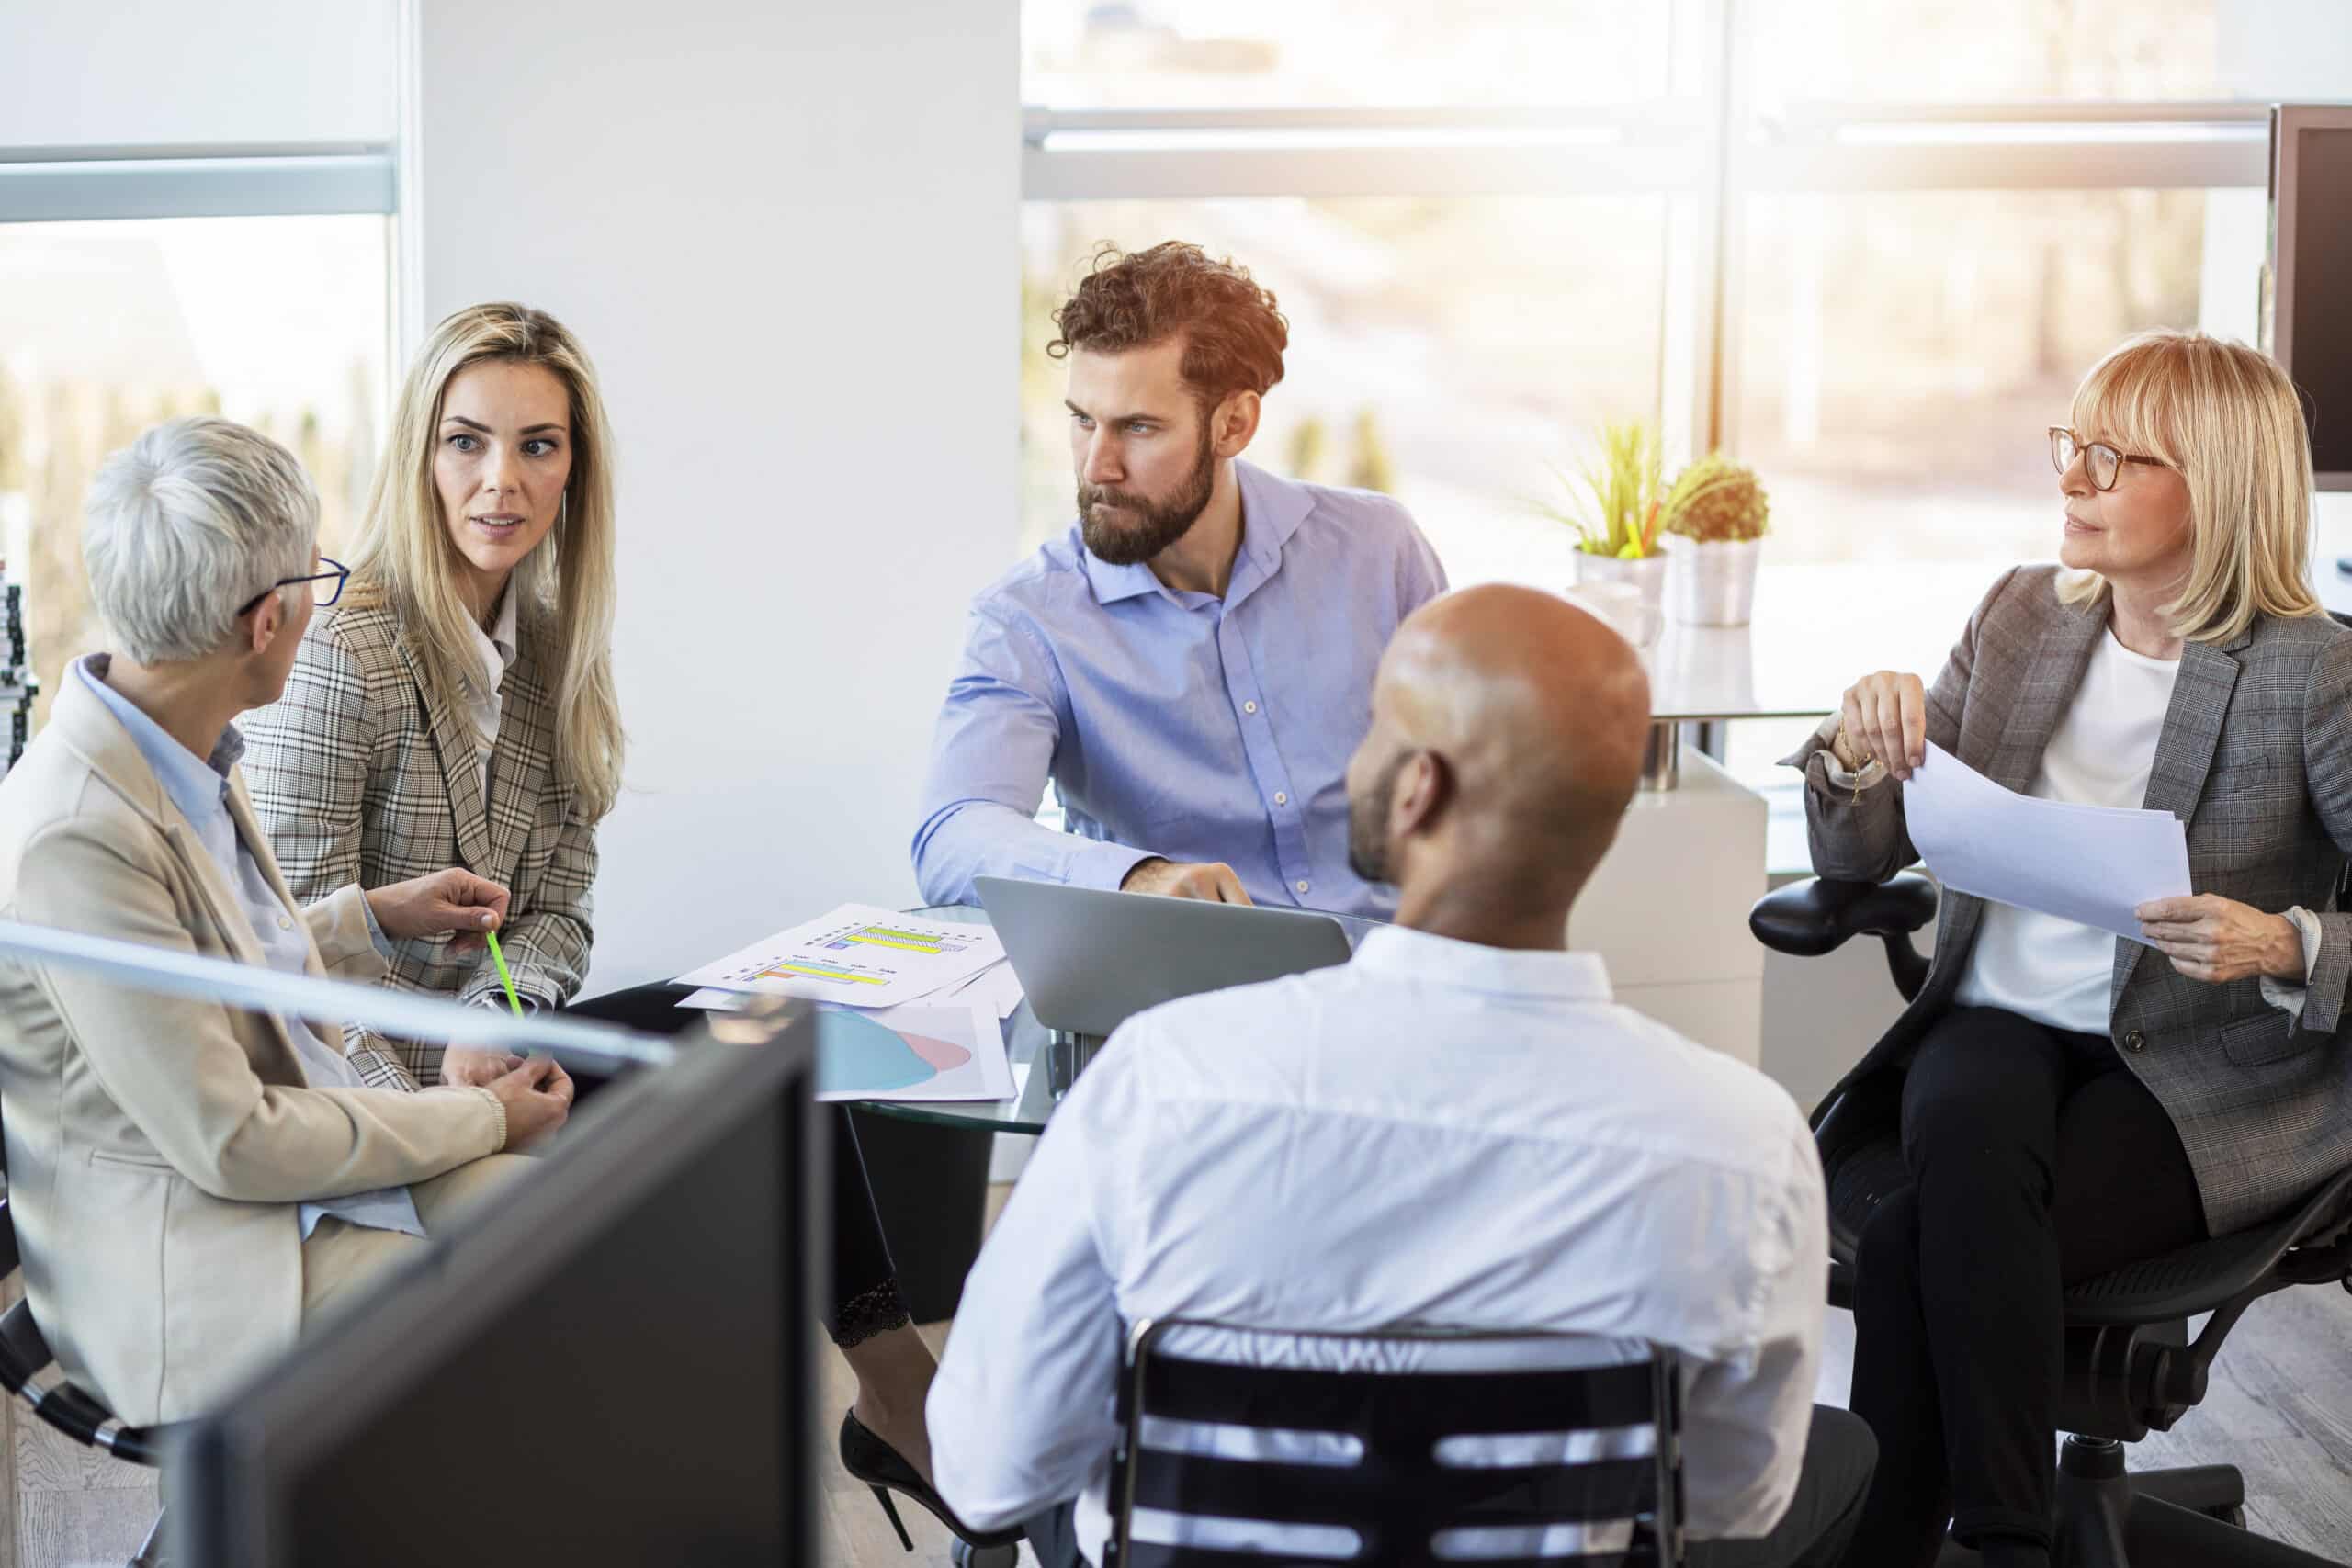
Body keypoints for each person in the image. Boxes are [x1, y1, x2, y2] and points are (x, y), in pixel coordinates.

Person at [242, 302, 1001, 1550]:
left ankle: (891, 1388)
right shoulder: (345, 651)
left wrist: (501, 1019)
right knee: (735, 1064)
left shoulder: (547, 654)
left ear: (575, 469)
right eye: (467, 441)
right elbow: (291, 955)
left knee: (764, 1036)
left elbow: (552, 913)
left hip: (488, 1054)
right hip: (358, 1084)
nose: (503, 480)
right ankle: (897, 1404)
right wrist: (437, 1097)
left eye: (539, 446)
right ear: (417, 454)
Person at [929, 584, 1876, 1568]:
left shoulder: (1163, 1082)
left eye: (1374, 727)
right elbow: (1728, 1498)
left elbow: (989, 1468)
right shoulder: (1743, 1144)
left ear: (1419, 788)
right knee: (1838, 1451)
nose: (1352, 761)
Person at [1788, 330, 2352, 1568]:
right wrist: (1852, 749)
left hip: (2196, 1068)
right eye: (2073, 444)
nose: (2074, 476)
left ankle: (1905, 1545)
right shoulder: (2021, 612)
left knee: (1906, 1239)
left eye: (2115, 455)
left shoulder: (2314, 672)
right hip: (1993, 1018)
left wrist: (2289, 937)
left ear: (2215, 485)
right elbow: (1855, 858)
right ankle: (2006, 1540)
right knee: (1970, 1132)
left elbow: (2324, 936)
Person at [0, 417, 571, 1427]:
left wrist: (369, 921)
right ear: (267, 622)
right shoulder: (75, 834)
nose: (323, 608)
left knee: (578, 1236)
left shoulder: (179, 739)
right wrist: (485, 1118)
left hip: (282, 1193)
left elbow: (193, 971)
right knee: (532, 1331)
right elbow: (234, 1139)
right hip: (197, 1268)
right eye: (317, 584)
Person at [912, 241, 1448, 918]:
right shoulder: (1028, 619)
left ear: (1234, 424)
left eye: (1138, 427)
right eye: (1083, 420)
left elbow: (1467, 777)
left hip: (1393, 979)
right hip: (1186, 1003)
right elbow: (954, 836)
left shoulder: (1379, 550)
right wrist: (1136, 877)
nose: (1096, 466)